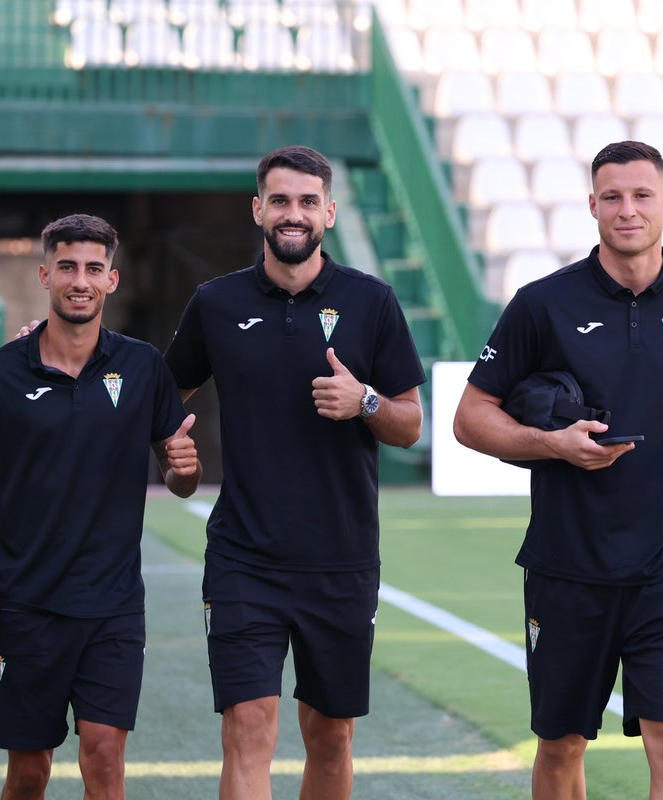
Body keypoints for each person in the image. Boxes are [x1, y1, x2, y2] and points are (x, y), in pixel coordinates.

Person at [452, 141, 663, 800]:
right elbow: (470, 419)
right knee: (561, 746)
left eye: (642, 195)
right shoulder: (541, 303)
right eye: (612, 196)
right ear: (592, 206)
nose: (627, 209)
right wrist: (554, 445)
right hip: (566, 565)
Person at [163, 145, 426, 800]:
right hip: (243, 557)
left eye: (308, 201)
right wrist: (174, 456)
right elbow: (159, 399)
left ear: (329, 213)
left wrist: (363, 401)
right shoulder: (216, 304)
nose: (293, 213)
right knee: (248, 728)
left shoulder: (372, 302)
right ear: (258, 210)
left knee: (330, 735)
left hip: (341, 559)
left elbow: (410, 423)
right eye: (279, 200)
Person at [0, 213, 201, 800]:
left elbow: (180, 480)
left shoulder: (143, 366)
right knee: (30, 772)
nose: (81, 280)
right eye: (69, 267)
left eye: (94, 269)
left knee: (104, 755)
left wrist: (187, 469)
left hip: (114, 607)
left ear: (113, 280)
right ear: (45, 274)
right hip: (26, 607)